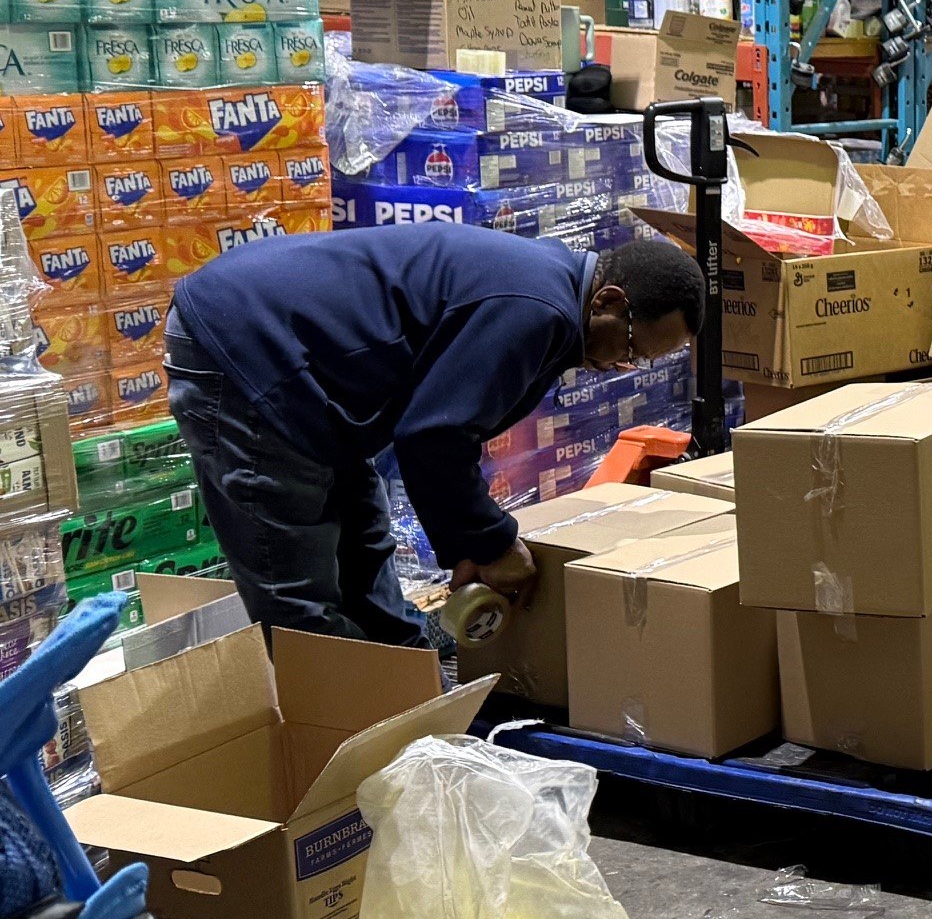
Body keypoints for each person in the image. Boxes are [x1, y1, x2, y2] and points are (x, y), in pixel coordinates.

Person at [164, 225, 705, 646]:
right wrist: (493, 542)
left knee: (364, 549)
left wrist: (469, 541)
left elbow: (450, 429)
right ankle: (344, 744)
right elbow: (432, 438)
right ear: (607, 302)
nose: (621, 366)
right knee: (296, 596)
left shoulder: (554, 304)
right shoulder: (538, 310)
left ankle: (412, 692)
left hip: (314, 374)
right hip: (247, 349)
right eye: (631, 347)